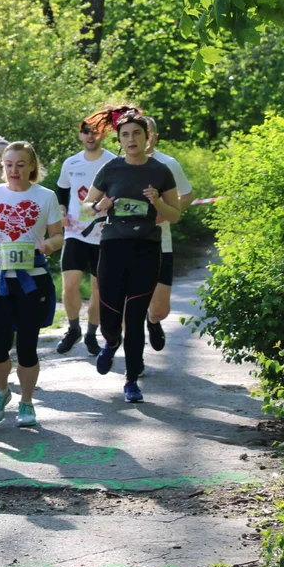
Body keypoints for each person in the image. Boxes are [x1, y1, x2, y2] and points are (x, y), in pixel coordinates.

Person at [81, 108, 181, 402]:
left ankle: (132, 379)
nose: (131, 139)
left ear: (147, 137)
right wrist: (102, 206)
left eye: (137, 133)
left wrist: (157, 203)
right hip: (112, 248)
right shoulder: (111, 169)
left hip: (147, 249)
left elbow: (174, 215)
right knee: (111, 316)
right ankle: (111, 343)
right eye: (125, 135)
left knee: (135, 317)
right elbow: (85, 207)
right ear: (120, 139)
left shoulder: (160, 171)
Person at [0, 141, 63, 428]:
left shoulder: (45, 196)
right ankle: (1, 392)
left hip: (32, 280)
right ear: (1, 167)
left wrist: (47, 245)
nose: (13, 170)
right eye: (8, 165)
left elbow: (59, 236)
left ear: (32, 167)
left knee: (27, 346)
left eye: (20, 164)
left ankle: (26, 402)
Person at [55, 117, 117, 356]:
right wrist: (61, 210)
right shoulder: (71, 163)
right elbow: (61, 190)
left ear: (103, 135)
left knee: (98, 290)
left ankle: (92, 334)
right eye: (86, 132)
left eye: (96, 132)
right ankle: (73, 329)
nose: (91, 136)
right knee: (69, 285)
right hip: (75, 233)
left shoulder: (113, 162)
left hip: (104, 235)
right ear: (80, 135)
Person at [143, 117, 194, 352]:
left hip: (160, 242)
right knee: (127, 306)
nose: (141, 138)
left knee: (160, 309)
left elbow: (188, 194)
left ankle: (153, 321)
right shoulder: (118, 165)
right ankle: (134, 358)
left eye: (147, 133)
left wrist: (167, 212)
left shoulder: (167, 164)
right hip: (124, 242)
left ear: (154, 137)